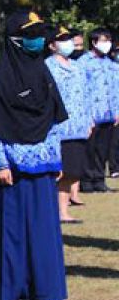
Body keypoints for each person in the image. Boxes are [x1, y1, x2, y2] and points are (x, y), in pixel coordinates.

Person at [0, 10, 68, 300]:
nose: (37, 40)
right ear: (16, 40)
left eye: (39, 34)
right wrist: (1, 164)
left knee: (44, 230)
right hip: (15, 168)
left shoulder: (44, 72)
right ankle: (16, 291)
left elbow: (54, 118)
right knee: (15, 233)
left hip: (44, 164)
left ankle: (45, 290)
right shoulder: (1, 76)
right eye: (30, 35)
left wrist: (56, 160)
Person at [45, 25, 91, 223]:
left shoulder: (78, 67)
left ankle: (63, 210)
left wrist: (89, 120)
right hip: (57, 130)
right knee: (58, 172)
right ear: (52, 45)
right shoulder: (47, 67)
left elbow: (86, 95)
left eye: (69, 39)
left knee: (73, 171)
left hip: (78, 129)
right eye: (62, 39)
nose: (68, 43)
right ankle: (55, 211)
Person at [79, 28, 116, 192]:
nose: (106, 43)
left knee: (103, 150)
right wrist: (86, 116)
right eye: (103, 40)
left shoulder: (111, 64)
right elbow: (80, 90)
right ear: (94, 42)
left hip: (108, 115)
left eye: (108, 40)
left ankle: (99, 180)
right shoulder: (83, 63)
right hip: (91, 114)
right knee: (89, 149)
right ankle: (86, 181)